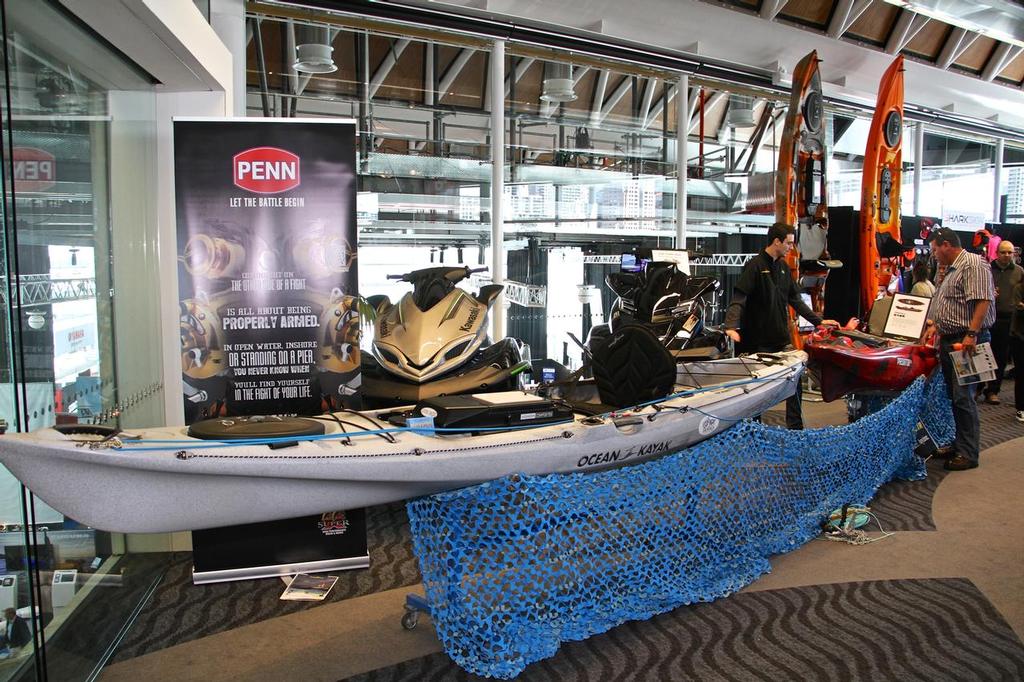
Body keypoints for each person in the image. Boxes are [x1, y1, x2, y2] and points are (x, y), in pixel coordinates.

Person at [724, 222, 837, 429]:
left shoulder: (784, 268)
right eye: (788, 243)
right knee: (756, 391)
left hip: (780, 340)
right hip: (757, 343)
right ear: (776, 242)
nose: (790, 248)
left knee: (794, 379)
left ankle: (795, 429)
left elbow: (796, 301)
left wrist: (819, 322)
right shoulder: (755, 266)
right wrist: (731, 326)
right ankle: (753, 430)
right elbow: (740, 297)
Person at [927, 227, 996, 471]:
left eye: (935, 249)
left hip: (966, 342)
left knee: (963, 397)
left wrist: (971, 334)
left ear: (946, 245)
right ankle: (960, 443)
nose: (934, 254)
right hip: (950, 340)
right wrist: (936, 324)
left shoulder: (973, 264)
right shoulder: (949, 268)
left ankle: (968, 453)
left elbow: (983, 301)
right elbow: (947, 302)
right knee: (955, 397)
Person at [981, 241, 1023, 405]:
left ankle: (993, 390)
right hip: (988, 318)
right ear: (997, 253)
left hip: (1010, 320)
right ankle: (978, 386)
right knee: (983, 354)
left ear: (1014, 254)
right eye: (1003, 252)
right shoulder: (987, 270)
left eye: (1010, 252)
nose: (1007, 255)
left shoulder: (1019, 272)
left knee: (1001, 357)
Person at [1010, 278, 1024, 423]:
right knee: (1021, 373)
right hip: (1020, 336)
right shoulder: (1019, 288)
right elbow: (1018, 307)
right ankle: (1021, 408)